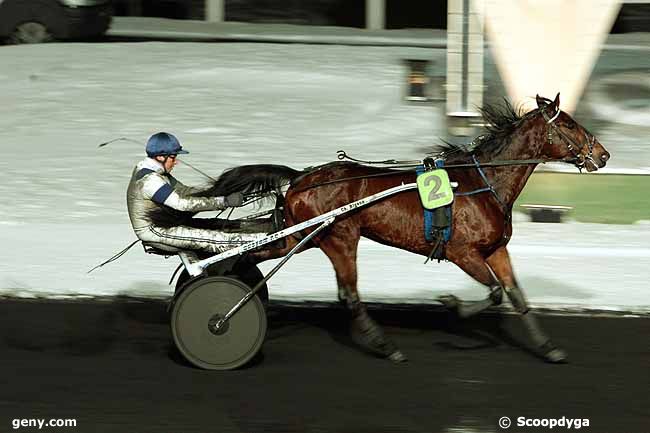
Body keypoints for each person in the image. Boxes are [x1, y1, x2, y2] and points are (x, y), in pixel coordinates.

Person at [126, 132, 266, 254]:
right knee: (215, 239)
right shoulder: (150, 181)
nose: (176, 163)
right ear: (161, 157)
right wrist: (224, 201)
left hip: (164, 224)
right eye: (173, 157)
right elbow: (182, 204)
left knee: (216, 224)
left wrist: (218, 190)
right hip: (155, 231)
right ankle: (267, 239)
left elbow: (185, 191)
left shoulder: (156, 172)